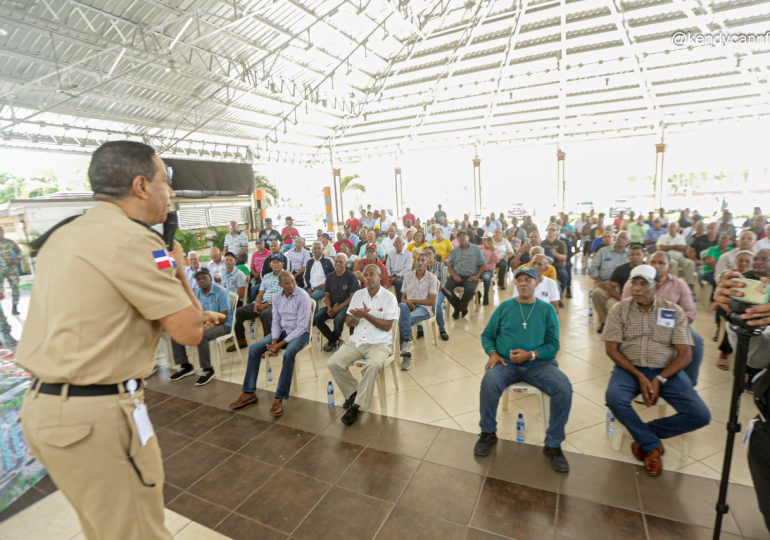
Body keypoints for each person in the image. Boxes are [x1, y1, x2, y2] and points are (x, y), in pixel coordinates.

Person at [17, 140, 223, 540]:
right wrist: (179, 269)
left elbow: (101, 313)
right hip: (96, 417)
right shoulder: (136, 241)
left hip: (48, 410)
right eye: (166, 181)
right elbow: (190, 331)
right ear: (141, 185)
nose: (171, 192)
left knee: (105, 530)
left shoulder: (64, 234)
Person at [603, 264, 710, 477]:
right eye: (634, 283)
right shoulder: (619, 310)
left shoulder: (672, 311)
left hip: (666, 370)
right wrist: (640, 375)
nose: (637, 289)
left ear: (657, 285)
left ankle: (645, 435)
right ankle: (651, 445)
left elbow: (685, 354)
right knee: (614, 398)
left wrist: (659, 378)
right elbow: (611, 349)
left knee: (700, 415)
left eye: (644, 284)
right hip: (629, 368)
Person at [474, 267, 571, 472]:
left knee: (563, 387)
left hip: (539, 364)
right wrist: (492, 353)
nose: (524, 283)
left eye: (528, 280)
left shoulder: (547, 310)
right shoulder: (505, 307)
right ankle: (488, 433)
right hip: (505, 363)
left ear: (536, 283)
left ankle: (553, 444)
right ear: (515, 284)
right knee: (489, 382)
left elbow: (553, 345)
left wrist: (531, 354)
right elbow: (487, 335)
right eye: (520, 280)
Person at [228, 271, 311, 416]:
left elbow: (302, 327)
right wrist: (274, 340)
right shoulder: (277, 296)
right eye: (287, 283)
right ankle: (248, 392)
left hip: (300, 334)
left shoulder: (302, 296)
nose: (291, 285)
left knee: (289, 353)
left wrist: (279, 345)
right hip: (282, 332)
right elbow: (276, 322)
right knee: (254, 349)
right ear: (280, 285)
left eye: (293, 281)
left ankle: (279, 398)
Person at [327, 264, 399, 426]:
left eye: (371, 274)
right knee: (333, 362)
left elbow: (387, 326)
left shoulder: (389, 297)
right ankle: (354, 393)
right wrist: (357, 317)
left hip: (379, 344)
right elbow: (348, 322)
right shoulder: (358, 295)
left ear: (379, 276)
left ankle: (357, 406)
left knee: (372, 366)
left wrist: (367, 315)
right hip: (357, 341)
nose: (367, 278)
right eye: (365, 275)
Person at [621, 251, 703, 385]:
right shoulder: (634, 282)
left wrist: (676, 327)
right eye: (653, 262)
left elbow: (690, 312)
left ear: (669, 266)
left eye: (661, 263)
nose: (657, 266)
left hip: (674, 326)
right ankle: (634, 380)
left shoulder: (679, 284)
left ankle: (689, 383)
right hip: (639, 322)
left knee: (696, 341)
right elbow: (625, 306)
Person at [169, 268, 232, 386]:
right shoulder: (197, 292)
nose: (201, 281)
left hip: (223, 325)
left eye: (204, 278)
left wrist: (204, 323)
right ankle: (186, 366)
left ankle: (208, 369)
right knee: (176, 332)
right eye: (198, 279)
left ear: (211, 278)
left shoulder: (221, 292)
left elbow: (223, 317)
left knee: (201, 336)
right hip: (203, 323)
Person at [228, 258, 284, 351]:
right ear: (270, 264)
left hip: (278, 304)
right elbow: (261, 293)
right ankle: (241, 341)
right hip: (262, 302)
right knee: (238, 312)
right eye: (273, 262)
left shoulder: (286, 275)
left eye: (277, 262)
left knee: (265, 314)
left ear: (282, 263)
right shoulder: (266, 276)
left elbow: (283, 295)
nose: (275, 264)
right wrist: (256, 304)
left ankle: (270, 344)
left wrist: (266, 304)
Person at [398, 252, 438, 370]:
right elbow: (403, 298)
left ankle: (406, 354)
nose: (420, 262)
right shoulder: (407, 275)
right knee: (401, 305)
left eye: (423, 260)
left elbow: (431, 301)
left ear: (428, 263)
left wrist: (413, 301)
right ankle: (407, 345)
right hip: (408, 306)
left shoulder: (432, 278)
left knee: (403, 320)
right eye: (418, 260)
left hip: (424, 309)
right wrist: (407, 303)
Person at [315, 253, 359, 351]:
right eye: (336, 261)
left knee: (338, 319)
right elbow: (327, 295)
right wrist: (329, 307)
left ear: (346, 264)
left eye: (341, 262)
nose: (338, 264)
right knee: (317, 318)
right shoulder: (330, 277)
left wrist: (337, 308)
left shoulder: (351, 276)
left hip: (346, 307)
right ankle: (334, 339)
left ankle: (332, 341)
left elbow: (352, 297)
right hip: (332, 305)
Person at [590, 231, 629, 333]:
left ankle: (618, 323)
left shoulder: (630, 254)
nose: (622, 239)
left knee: (614, 302)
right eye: (620, 236)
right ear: (616, 237)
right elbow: (593, 268)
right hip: (604, 283)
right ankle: (604, 322)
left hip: (622, 286)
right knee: (597, 294)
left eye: (625, 238)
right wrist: (599, 282)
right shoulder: (603, 251)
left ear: (628, 242)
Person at [444, 231, 486, 319]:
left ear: (469, 237)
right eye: (459, 236)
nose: (462, 237)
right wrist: (454, 276)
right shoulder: (454, 250)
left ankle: (458, 309)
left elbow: (483, 265)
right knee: (445, 288)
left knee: (470, 289)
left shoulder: (476, 249)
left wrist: (477, 276)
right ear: (457, 239)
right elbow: (449, 265)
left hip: (470, 277)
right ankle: (462, 307)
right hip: (456, 276)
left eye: (464, 235)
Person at [605, 243, 646, 314]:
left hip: (646, 298)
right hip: (625, 297)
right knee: (611, 303)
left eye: (638, 254)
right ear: (628, 256)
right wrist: (621, 298)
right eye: (632, 254)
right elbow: (610, 287)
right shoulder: (620, 269)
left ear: (643, 255)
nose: (635, 257)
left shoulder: (649, 269)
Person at [656, 222, 696, 289]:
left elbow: (683, 248)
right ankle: (675, 285)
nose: (672, 228)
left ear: (677, 228)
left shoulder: (681, 237)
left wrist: (668, 247)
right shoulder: (663, 237)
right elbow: (659, 248)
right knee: (674, 263)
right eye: (671, 226)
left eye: (674, 226)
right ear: (668, 228)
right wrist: (675, 246)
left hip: (680, 257)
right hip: (667, 257)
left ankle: (689, 285)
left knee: (690, 263)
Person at [425, 246, 450, 341]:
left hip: (439, 291)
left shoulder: (440, 265)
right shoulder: (421, 266)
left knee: (435, 303)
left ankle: (442, 329)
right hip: (424, 293)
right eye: (425, 254)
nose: (427, 256)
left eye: (429, 253)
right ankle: (419, 329)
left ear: (434, 255)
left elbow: (443, 283)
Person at [542, 223, 569, 293]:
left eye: (553, 230)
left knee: (564, 276)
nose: (551, 231)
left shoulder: (561, 243)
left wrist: (555, 254)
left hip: (558, 267)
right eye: (549, 229)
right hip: (544, 267)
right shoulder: (542, 243)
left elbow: (564, 257)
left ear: (557, 232)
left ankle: (560, 296)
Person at [0, 226, 21, 315]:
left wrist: (17, 259)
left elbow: (19, 251)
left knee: (15, 288)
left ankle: (14, 308)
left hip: (11, 269)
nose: (0, 233)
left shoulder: (10, 242)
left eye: (1, 231)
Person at [386, 236, 413, 303]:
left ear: (403, 244)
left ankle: (400, 303)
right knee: (382, 280)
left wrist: (397, 276)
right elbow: (387, 266)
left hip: (402, 276)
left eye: (400, 242)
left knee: (398, 282)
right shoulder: (391, 253)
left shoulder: (408, 254)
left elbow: (407, 268)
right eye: (396, 242)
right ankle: (386, 304)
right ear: (393, 245)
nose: (398, 243)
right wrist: (389, 276)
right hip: (391, 275)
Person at [480, 236, 500, 306]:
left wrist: (493, 250)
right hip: (478, 270)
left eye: (485, 241)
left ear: (490, 243)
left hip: (488, 270)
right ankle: (478, 294)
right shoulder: (481, 248)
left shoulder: (495, 250)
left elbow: (496, 260)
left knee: (486, 278)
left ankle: (485, 296)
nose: (484, 243)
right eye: (483, 241)